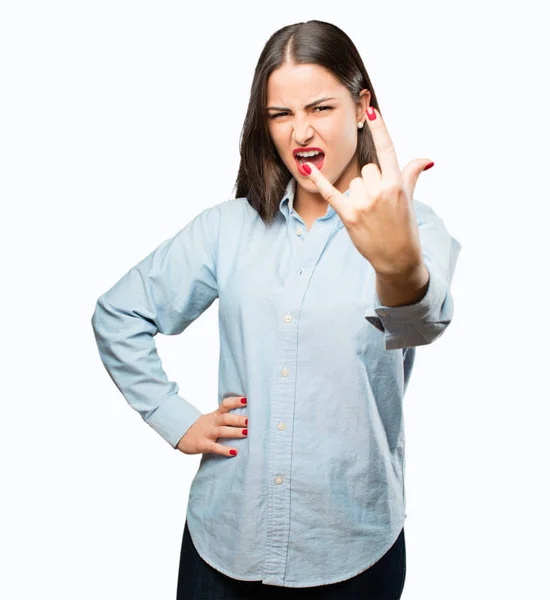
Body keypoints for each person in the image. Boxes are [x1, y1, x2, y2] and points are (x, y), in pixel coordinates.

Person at [91, 19, 461, 599]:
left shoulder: (413, 228)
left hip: (353, 553)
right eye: (280, 114)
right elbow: (119, 314)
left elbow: (424, 324)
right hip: (224, 543)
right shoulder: (226, 228)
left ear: (364, 106)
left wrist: (397, 265)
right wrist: (173, 417)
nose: (301, 131)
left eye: (320, 107)